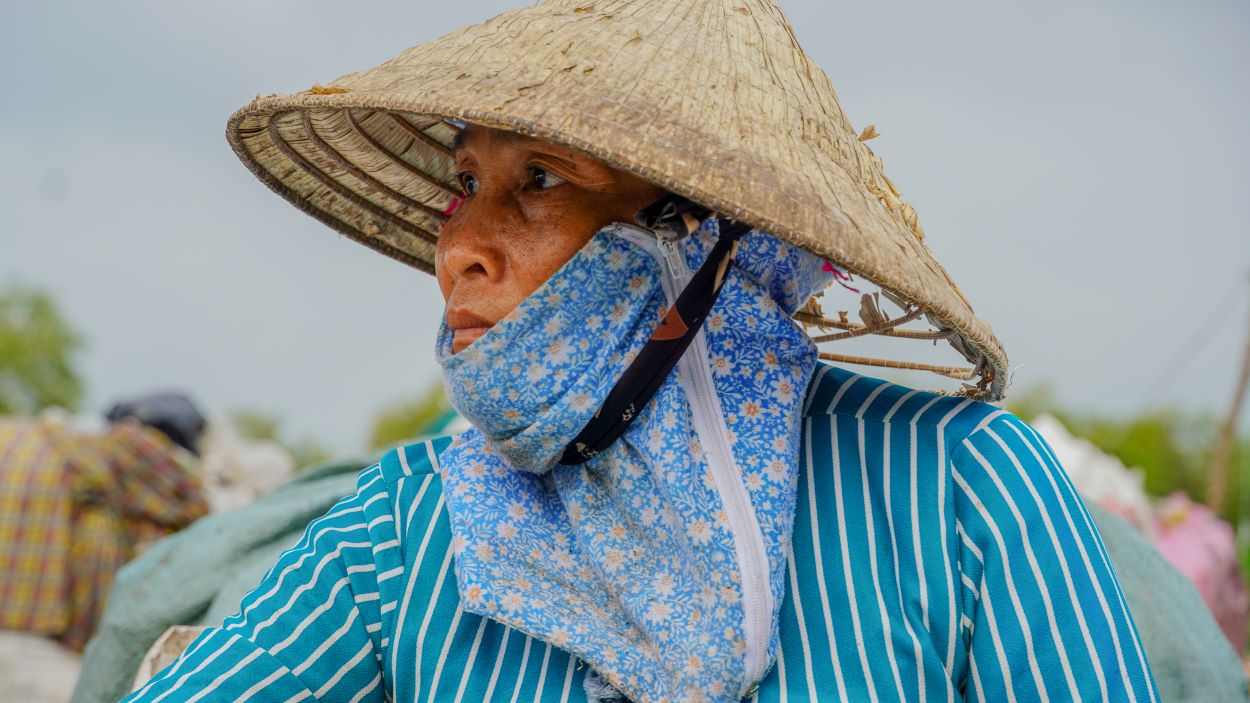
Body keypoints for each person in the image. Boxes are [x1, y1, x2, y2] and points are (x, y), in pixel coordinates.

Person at [125, 1, 1160, 700]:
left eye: (539, 179)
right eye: (466, 180)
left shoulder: (960, 490)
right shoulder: (404, 527)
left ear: (702, 241)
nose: (459, 250)